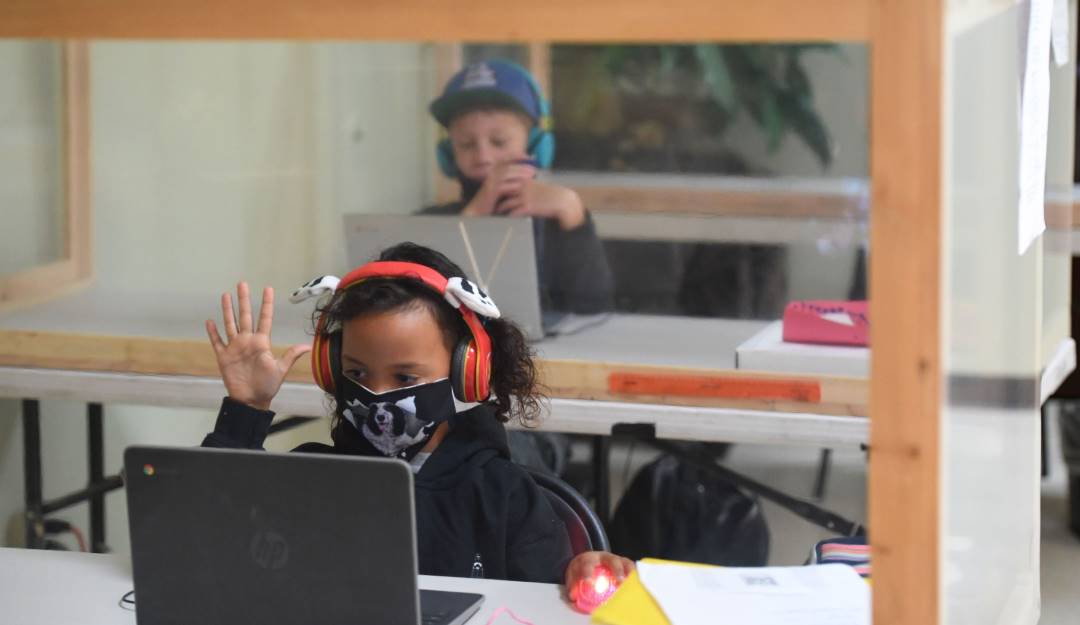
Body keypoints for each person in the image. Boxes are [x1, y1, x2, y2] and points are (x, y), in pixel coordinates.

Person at [200, 242, 633, 591]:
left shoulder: (502, 495)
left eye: (405, 375)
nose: (377, 394)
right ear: (332, 370)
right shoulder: (314, 477)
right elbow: (206, 541)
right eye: (356, 372)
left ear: (468, 369)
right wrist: (247, 410)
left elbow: (550, 601)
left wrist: (580, 570)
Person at [422, 59, 614, 315]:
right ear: (449, 152)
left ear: (536, 144)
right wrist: (475, 214)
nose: (483, 155)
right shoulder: (431, 224)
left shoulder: (556, 218)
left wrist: (572, 212)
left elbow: (595, 305)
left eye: (499, 141)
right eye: (466, 144)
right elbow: (427, 305)